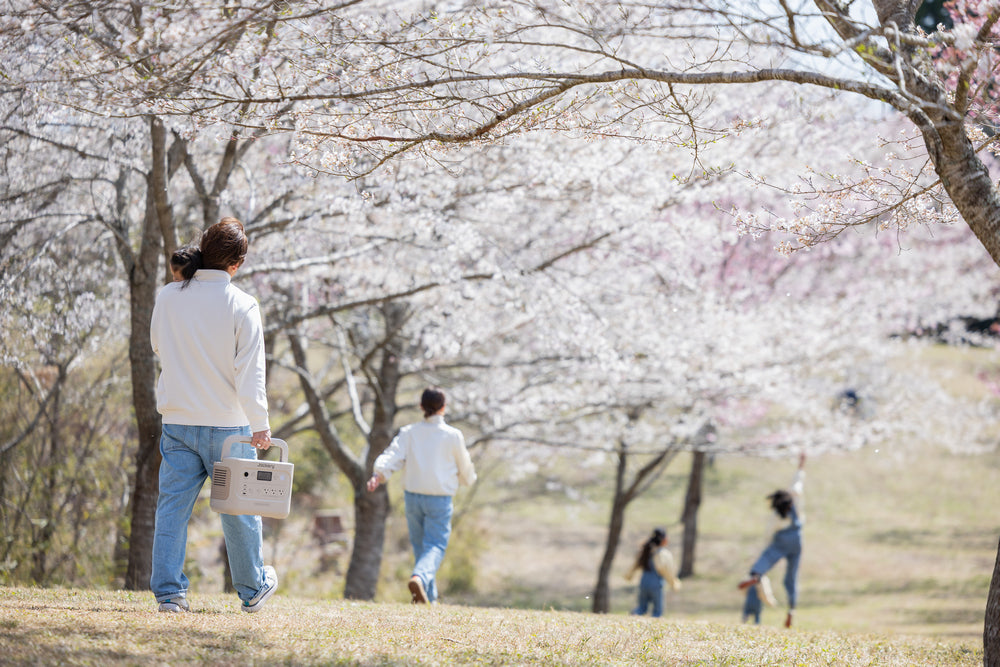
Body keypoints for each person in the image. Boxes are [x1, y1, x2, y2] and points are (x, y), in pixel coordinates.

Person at [150, 217, 278, 614]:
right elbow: (250, 373)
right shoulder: (243, 304)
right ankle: (252, 589)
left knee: (172, 509)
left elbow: (158, 345)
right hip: (229, 426)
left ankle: (169, 594)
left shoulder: (168, 296)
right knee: (239, 511)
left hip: (178, 420)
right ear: (236, 264)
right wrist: (260, 424)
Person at [366, 387, 477, 604]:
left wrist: (378, 474)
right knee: (435, 546)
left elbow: (393, 455)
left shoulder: (409, 432)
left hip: (413, 497)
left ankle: (429, 599)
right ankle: (420, 578)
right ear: (443, 407)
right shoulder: (453, 435)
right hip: (439, 498)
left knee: (421, 549)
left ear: (421, 407)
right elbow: (464, 466)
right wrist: (467, 479)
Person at [738, 452, 807, 628]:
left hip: (781, 541)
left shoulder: (776, 516)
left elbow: (768, 536)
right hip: (797, 540)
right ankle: (791, 609)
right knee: (791, 577)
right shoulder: (795, 499)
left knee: (767, 557)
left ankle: (756, 575)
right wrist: (801, 464)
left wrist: (764, 556)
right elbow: (797, 481)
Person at [625, 527, 682, 617]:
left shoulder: (645, 551)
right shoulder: (663, 554)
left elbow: (635, 565)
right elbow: (667, 571)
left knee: (642, 608)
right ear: (664, 540)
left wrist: (629, 576)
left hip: (643, 583)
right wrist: (674, 583)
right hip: (656, 584)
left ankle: (632, 616)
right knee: (657, 611)